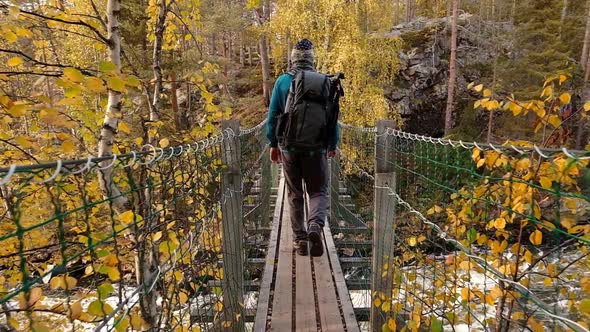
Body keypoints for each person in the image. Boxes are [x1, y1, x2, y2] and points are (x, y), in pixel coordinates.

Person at [266, 39, 340, 257]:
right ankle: (315, 227)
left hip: (289, 148)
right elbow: (332, 118)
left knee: (295, 193)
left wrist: (273, 144)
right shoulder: (325, 81)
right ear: (312, 60)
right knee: (318, 190)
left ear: (293, 58)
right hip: (316, 148)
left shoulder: (282, 82)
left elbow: (272, 116)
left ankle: (300, 240)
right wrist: (332, 144)